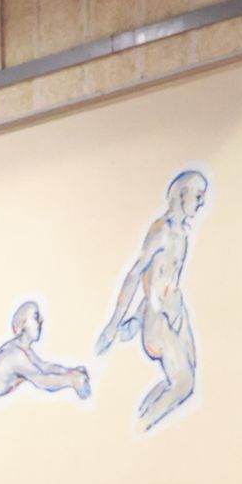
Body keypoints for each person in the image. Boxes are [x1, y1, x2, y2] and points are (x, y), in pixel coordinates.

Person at [96, 169, 208, 431]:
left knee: (186, 375)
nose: (202, 203)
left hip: (176, 311)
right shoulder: (162, 232)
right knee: (183, 383)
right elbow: (138, 274)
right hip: (158, 318)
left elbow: (160, 279)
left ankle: (142, 417)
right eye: (198, 196)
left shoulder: (182, 233)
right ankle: (142, 425)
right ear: (183, 194)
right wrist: (115, 324)